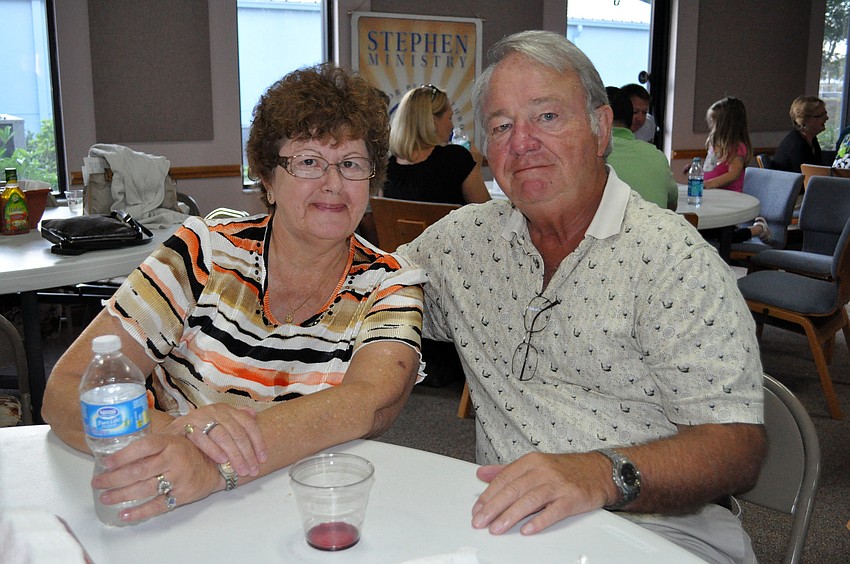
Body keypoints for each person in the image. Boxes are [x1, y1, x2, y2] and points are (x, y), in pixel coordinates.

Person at [398, 30, 766, 563]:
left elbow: (736, 450)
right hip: (513, 527)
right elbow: (370, 295)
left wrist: (601, 472)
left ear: (598, 130)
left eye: (546, 116)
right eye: (501, 125)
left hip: (661, 531)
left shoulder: (670, 258)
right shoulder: (462, 242)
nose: (521, 142)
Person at [41, 63, 427, 523]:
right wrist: (182, 429)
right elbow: (65, 391)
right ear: (267, 178)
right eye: (307, 161)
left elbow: (368, 402)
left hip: (310, 512)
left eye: (351, 163)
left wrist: (212, 464)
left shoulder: (391, 283)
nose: (332, 183)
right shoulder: (204, 250)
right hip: (170, 500)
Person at [383, 84, 490, 204]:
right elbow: (486, 215)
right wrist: (474, 167)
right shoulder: (456, 159)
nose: (452, 126)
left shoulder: (387, 169)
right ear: (433, 122)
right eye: (449, 118)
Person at [702, 96, 770, 243]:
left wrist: (710, 183)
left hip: (728, 202)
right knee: (705, 234)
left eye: (714, 123)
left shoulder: (737, 147)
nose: (712, 127)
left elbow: (734, 174)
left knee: (726, 238)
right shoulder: (715, 146)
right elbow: (711, 168)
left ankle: (758, 228)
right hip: (712, 200)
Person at [604, 86, 677, 211]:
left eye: (644, 112)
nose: (640, 118)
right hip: (657, 227)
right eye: (635, 112)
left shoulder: (591, 157)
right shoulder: (657, 155)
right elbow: (672, 203)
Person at [771, 95, 828, 172]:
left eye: (825, 114)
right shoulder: (796, 145)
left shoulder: (812, 140)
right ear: (805, 120)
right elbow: (804, 179)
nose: (826, 118)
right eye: (821, 115)